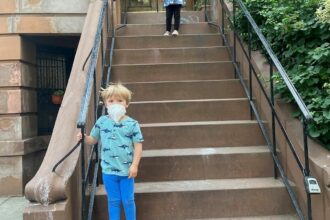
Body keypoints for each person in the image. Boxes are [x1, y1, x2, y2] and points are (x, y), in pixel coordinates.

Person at [77, 83, 143, 220]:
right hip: (108, 171)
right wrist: (84, 138)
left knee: (128, 200)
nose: (115, 104)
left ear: (127, 104)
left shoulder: (133, 124)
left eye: (120, 100)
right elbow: (93, 140)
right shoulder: (102, 122)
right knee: (113, 201)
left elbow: (138, 146)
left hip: (127, 172)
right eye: (111, 101)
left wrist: (135, 165)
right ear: (106, 104)